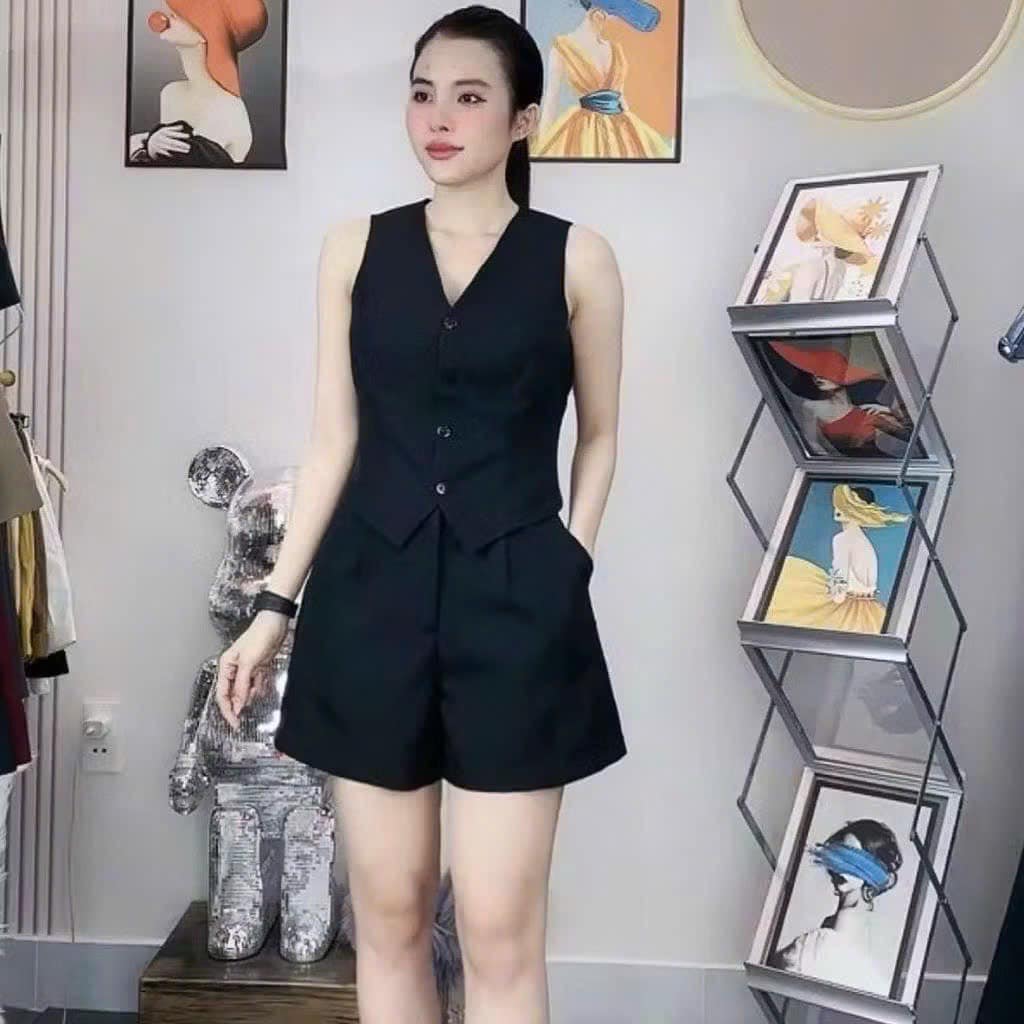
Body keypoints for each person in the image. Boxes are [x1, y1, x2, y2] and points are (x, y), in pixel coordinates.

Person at [214, 5, 628, 1022]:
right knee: (390, 914)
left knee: (497, 926)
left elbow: (601, 435)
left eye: (470, 96)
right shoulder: (353, 248)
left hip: (518, 609)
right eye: (422, 93)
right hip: (371, 602)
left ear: (523, 120)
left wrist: (568, 562)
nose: (439, 117)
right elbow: (332, 444)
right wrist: (272, 608)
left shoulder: (578, 259)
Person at [768, 819, 902, 996]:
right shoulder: (820, 939)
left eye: (852, 858)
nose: (840, 867)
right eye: (839, 854)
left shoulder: (831, 945)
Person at [128, 0, 269, 166]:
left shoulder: (228, 110)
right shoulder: (171, 93)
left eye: (180, 15)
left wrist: (141, 145)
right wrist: (147, 143)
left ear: (207, 32)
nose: (168, 17)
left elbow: (185, 165)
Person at [531, 0, 672, 159]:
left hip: (621, 128)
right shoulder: (563, 47)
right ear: (597, 14)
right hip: (583, 130)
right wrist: (541, 147)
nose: (616, 22)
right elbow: (551, 101)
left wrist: (634, 132)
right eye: (614, 16)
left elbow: (621, 98)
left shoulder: (615, 50)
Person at [765, 484, 909, 634]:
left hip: (850, 611)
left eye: (844, 505)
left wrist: (821, 598)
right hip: (870, 611)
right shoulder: (863, 542)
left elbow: (839, 593)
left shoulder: (843, 539)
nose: (837, 509)